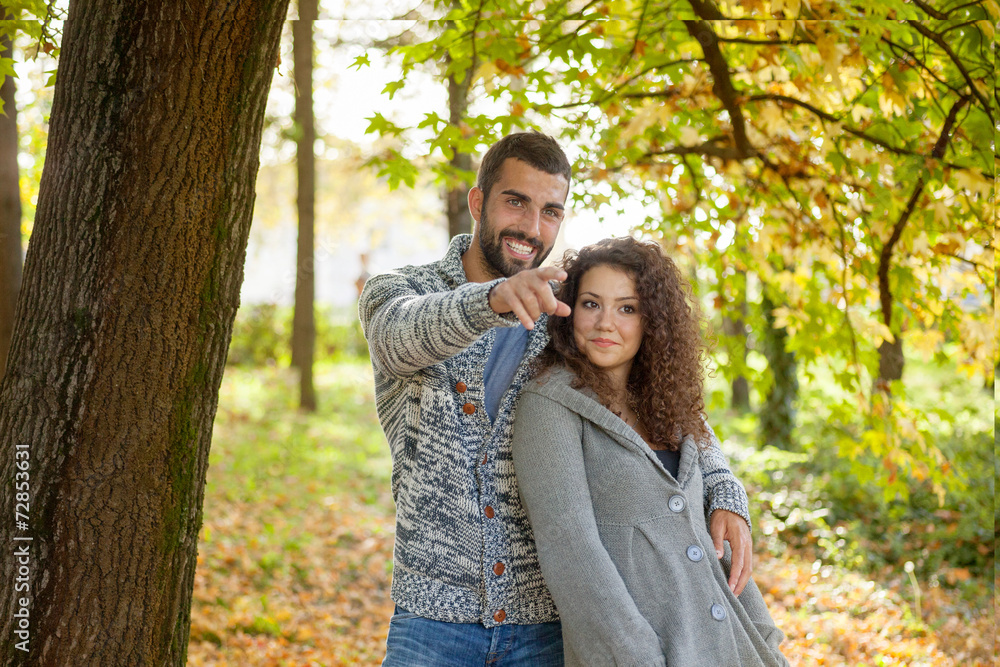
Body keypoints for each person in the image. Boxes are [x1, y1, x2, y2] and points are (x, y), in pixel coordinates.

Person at [358, 132, 755, 666]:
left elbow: (656, 399)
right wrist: (492, 301)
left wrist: (724, 484)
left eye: (550, 211)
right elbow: (397, 336)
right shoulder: (403, 290)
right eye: (515, 202)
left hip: (546, 629)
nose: (532, 227)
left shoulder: (568, 316)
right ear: (478, 202)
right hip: (434, 620)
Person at [511, 237, 789, 666]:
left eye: (627, 308)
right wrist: (636, 657)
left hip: (730, 644)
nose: (606, 323)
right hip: (647, 654)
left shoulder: (666, 401)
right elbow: (571, 552)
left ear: (651, 320)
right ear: (568, 311)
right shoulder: (549, 403)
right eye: (591, 304)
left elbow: (707, 517)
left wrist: (764, 639)